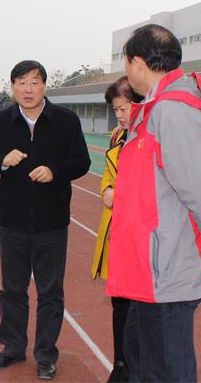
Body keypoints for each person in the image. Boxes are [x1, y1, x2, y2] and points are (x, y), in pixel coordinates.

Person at [106, 24, 201, 382]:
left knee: (166, 370)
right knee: (140, 359)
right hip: (151, 267)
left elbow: (199, 188)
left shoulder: (171, 111)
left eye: (126, 63)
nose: (127, 71)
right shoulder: (155, 110)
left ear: (138, 63)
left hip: (165, 269)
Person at [0, 60, 91, 381]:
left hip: (53, 223)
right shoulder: (0, 122)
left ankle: (46, 355)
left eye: (34, 82)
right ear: (12, 87)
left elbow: (81, 161)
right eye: (21, 82)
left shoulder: (65, 121)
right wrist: (2, 160)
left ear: (44, 86)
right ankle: (12, 348)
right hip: (12, 223)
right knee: (12, 290)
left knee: (51, 292)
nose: (28, 89)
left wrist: (55, 171)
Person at [90, 76, 138, 383]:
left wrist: (118, 194)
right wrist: (106, 190)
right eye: (115, 109)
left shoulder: (150, 137)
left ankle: (134, 367)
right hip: (116, 229)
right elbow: (108, 175)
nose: (118, 115)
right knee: (119, 303)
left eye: (123, 108)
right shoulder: (118, 135)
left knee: (139, 309)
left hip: (139, 234)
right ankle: (120, 365)